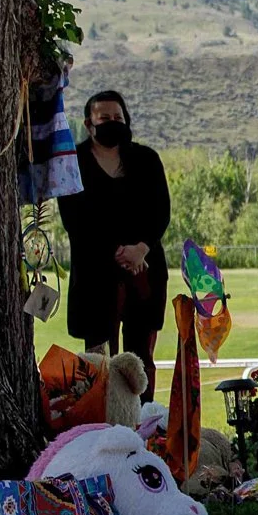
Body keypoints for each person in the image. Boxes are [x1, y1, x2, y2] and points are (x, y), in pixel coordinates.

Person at [57, 90, 170, 363]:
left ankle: (142, 407)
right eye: (104, 117)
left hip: (144, 269)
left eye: (118, 117)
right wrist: (120, 254)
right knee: (99, 364)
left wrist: (140, 250)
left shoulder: (147, 159)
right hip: (94, 276)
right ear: (88, 123)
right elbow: (74, 220)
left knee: (140, 360)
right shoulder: (73, 163)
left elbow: (160, 211)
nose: (112, 121)